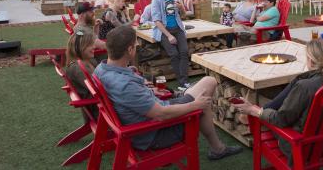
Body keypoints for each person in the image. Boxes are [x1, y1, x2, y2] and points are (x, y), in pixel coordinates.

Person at [94, 25, 242, 160]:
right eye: (136, 43)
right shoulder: (125, 85)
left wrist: (143, 86)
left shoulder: (101, 69)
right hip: (155, 132)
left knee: (208, 83)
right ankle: (217, 148)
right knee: (205, 94)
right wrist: (195, 105)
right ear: (130, 50)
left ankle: (216, 146)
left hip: (151, 114)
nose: (138, 45)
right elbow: (161, 114)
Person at [234, 38, 323, 160]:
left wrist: (254, 110)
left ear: (310, 60)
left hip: (300, 146)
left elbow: (280, 120)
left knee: (262, 109)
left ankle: (251, 103)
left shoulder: (304, 87)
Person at [151, 0, 189, 88]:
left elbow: (184, 16)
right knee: (174, 54)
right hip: (164, 30)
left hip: (178, 28)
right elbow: (157, 21)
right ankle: (182, 82)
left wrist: (182, 7)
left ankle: (184, 82)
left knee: (184, 52)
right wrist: (169, 36)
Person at [65, 27, 99, 118]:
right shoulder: (77, 69)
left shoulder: (87, 61)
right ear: (80, 47)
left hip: (101, 104)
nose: (94, 47)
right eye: (90, 45)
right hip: (99, 110)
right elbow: (97, 89)